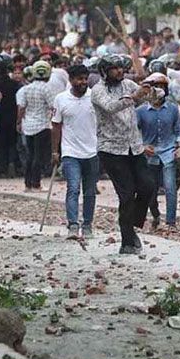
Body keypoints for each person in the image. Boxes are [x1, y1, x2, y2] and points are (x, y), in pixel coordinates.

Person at [90, 54, 155, 255]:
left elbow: (152, 96)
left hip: (134, 146)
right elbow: (110, 106)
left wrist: (151, 88)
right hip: (111, 149)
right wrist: (134, 98)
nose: (119, 71)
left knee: (148, 186)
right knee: (126, 194)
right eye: (114, 69)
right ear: (104, 71)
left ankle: (134, 221)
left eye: (121, 68)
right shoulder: (97, 90)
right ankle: (127, 239)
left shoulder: (128, 84)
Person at [51, 65, 99, 238]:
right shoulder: (61, 99)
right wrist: (55, 152)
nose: (83, 82)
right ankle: (72, 224)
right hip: (70, 152)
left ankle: (87, 225)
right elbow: (56, 126)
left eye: (85, 79)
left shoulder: (94, 96)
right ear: (71, 80)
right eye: (79, 79)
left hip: (92, 151)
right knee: (73, 188)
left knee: (90, 191)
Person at [136, 73, 180, 229]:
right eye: (155, 87)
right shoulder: (140, 111)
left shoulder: (172, 109)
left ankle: (171, 222)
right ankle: (156, 215)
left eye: (161, 87)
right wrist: (142, 146)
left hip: (168, 152)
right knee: (150, 190)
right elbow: (132, 133)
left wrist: (179, 146)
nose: (158, 90)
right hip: (149, 155)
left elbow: (179, 130)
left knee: (170, 188)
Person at [18, 60, 55, 191]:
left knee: (30, 155)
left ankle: (27, 183)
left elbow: (21, 108)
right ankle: (36, 183)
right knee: (39, 156)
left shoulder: (26, 89)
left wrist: (19, 122)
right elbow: (53, 107)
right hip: (42, 125)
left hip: (28, 126)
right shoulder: (47, 89)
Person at [0, 57, 22, 177]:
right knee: (12, 142)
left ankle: (1, 168)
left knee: (0, 143)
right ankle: (11, 164)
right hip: (12, 116)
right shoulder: (15, 84)